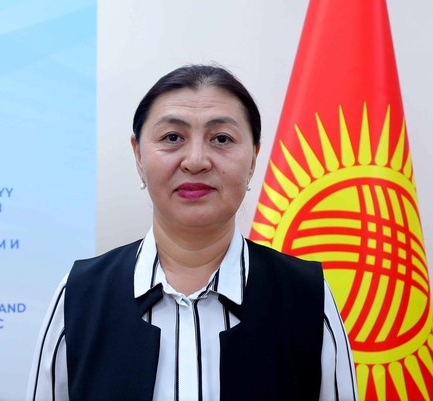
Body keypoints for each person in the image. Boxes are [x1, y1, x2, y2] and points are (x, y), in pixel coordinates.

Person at [27, 64, 358, 401]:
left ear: (253, 160)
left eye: (221, 139)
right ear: (139, 156)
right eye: (172, 138)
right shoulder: (79, 295)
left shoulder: (307, 297)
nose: (196, 161)